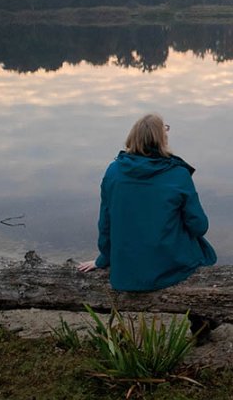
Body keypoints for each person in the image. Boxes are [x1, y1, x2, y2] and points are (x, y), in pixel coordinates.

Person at [76, 114, 217, 292]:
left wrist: (103, 260)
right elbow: (199, 226)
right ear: (162, 140)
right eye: (165, 129)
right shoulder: (178, 174)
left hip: (126, 273)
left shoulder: (113, 172)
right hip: (167, 269)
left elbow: (105, 224)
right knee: (205, 252)